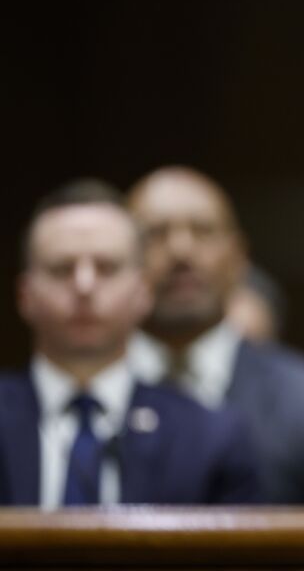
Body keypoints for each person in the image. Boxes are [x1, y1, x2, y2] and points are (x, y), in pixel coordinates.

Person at [0, 180, 259, 507]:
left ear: (143, 292)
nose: (84, 286)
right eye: (61, 269)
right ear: (25, 295)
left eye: (106, 268)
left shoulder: (210, 437)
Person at [126, 166, 304, 504]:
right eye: (155, 233)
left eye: (203, 231)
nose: (181, 250)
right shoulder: (84, 403)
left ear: (238, 257)